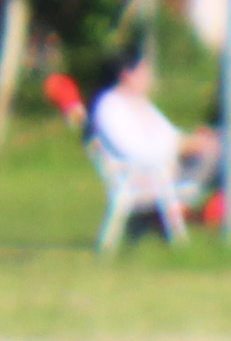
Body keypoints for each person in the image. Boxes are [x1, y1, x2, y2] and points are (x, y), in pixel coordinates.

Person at [83, 50, 217, 236]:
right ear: (127, 75)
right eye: (144, 72)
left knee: (223, 148)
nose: (149, 78)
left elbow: (170, 135)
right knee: (227, 158)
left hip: (161, 169)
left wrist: (193, 141)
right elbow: (136, 151)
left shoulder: (139, 104)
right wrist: (181, 146)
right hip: (146, 176)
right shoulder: (110, 107)